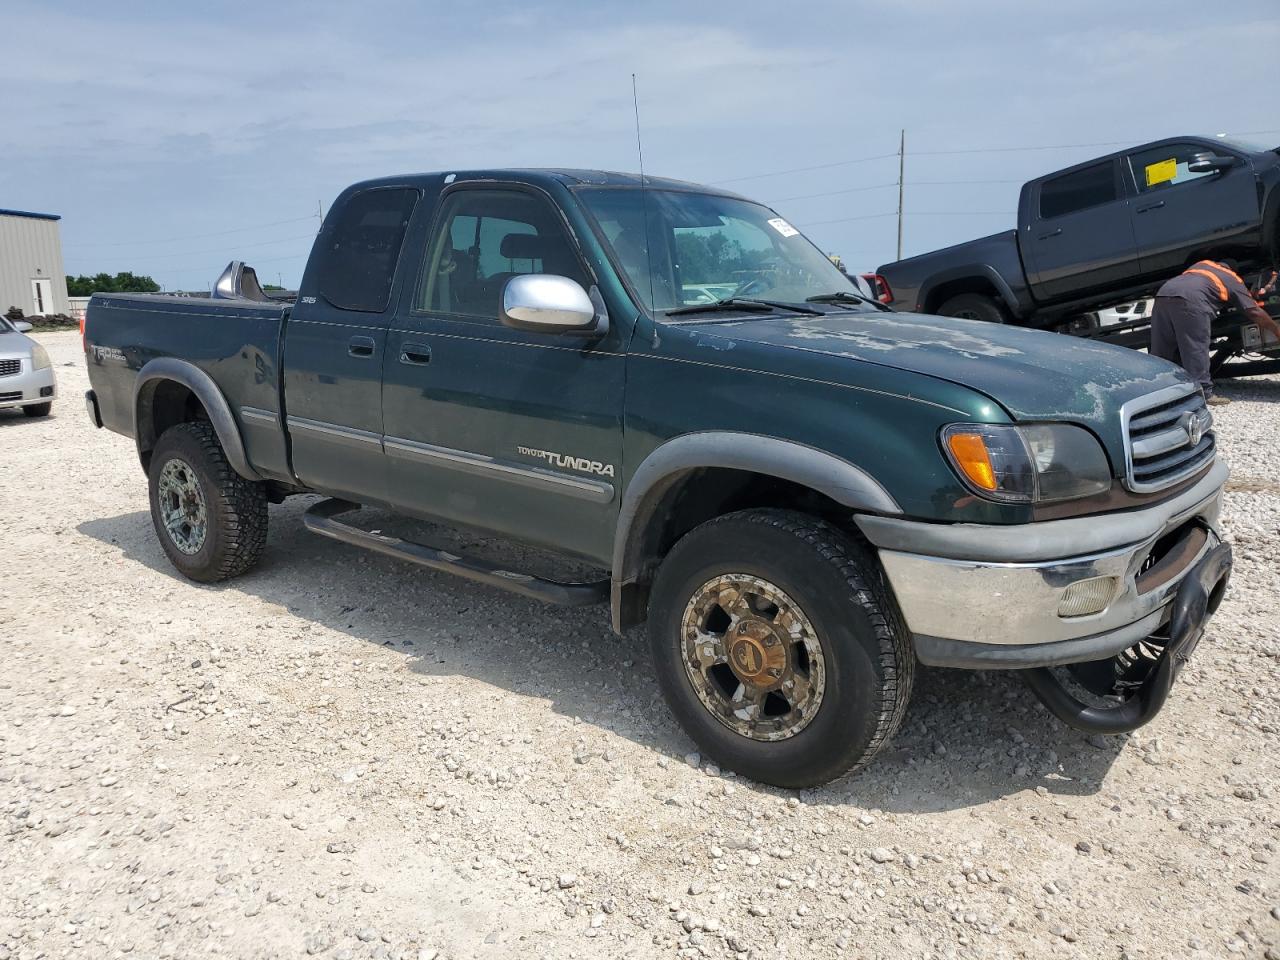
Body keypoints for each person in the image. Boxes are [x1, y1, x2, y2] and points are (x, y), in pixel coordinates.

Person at [1150, 259, 1280, 406]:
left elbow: (1204, 286)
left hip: (1164, 293)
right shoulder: (1232, 278)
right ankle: (1204, 393)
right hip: (1191, 301)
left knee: (1162, 347)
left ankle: (1154, 391)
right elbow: (1253, 311)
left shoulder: (1202, 264)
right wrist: (1276, 329)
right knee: (1195, 347)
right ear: (1233, 270)